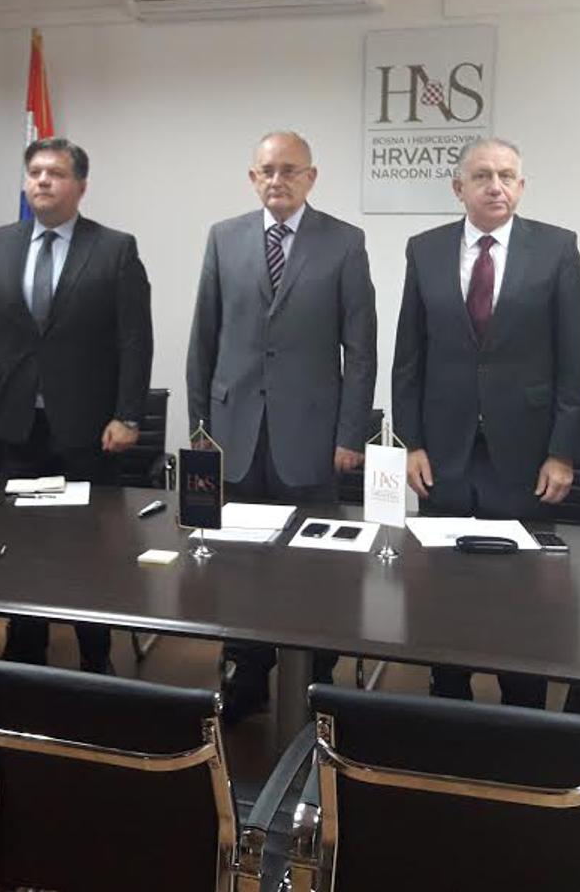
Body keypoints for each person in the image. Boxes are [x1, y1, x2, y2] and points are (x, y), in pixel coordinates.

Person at [392, 137, 580, 708]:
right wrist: (411, 443)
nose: (495, 186)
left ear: (521, 187)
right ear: (459, 188)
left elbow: (572, 361)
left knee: (523, 592)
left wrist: (562, 452)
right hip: (444, 452)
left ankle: (522, 704)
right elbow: (409, 357)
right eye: (482, 176)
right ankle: (448, 698)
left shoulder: (556, 249)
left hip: (525, 454)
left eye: (507, 176)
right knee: (440, 586)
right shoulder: (425, 250)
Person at [186, 129, 377, 723]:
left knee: (312, 565)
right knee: (238, 561)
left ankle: (315, 678)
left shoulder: (344, 242)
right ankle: (246, 674)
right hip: (235, 432)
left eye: (290, 170)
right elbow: (204, 338)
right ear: (253, 178)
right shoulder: (224, 238)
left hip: (312, 438)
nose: (278, 180)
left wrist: (350, 435)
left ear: (311, 177)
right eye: (267, 170)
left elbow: (361, 350)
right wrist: (200, 431)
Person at [0, 137, 152, 673]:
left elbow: (134, 340)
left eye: (57, 173)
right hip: (17, 424)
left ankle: (95, 651)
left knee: (91, 544)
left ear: (80, 187)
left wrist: (128, 414)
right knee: (19, 539)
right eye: (35, 172)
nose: (43, 180)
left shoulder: (114, 248)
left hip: (90, 428)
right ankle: (25, 645)